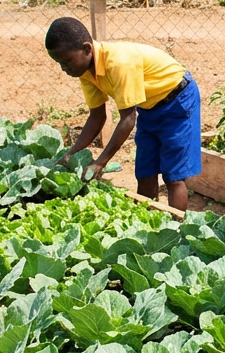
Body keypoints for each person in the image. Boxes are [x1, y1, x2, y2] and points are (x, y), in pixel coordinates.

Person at [45, 17, 201, 210]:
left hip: (178, 101)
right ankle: (149, 225)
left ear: (87, 49)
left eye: (67, 61)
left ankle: (177, 230)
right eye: (59, 63)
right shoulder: (85, 71)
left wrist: (100, 163)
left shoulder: (118, 62)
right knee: (145, 172)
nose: (64, 68)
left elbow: (128, 119)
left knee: (174, 176)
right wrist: (71, 153)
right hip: (149, 107)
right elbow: (97, 115)